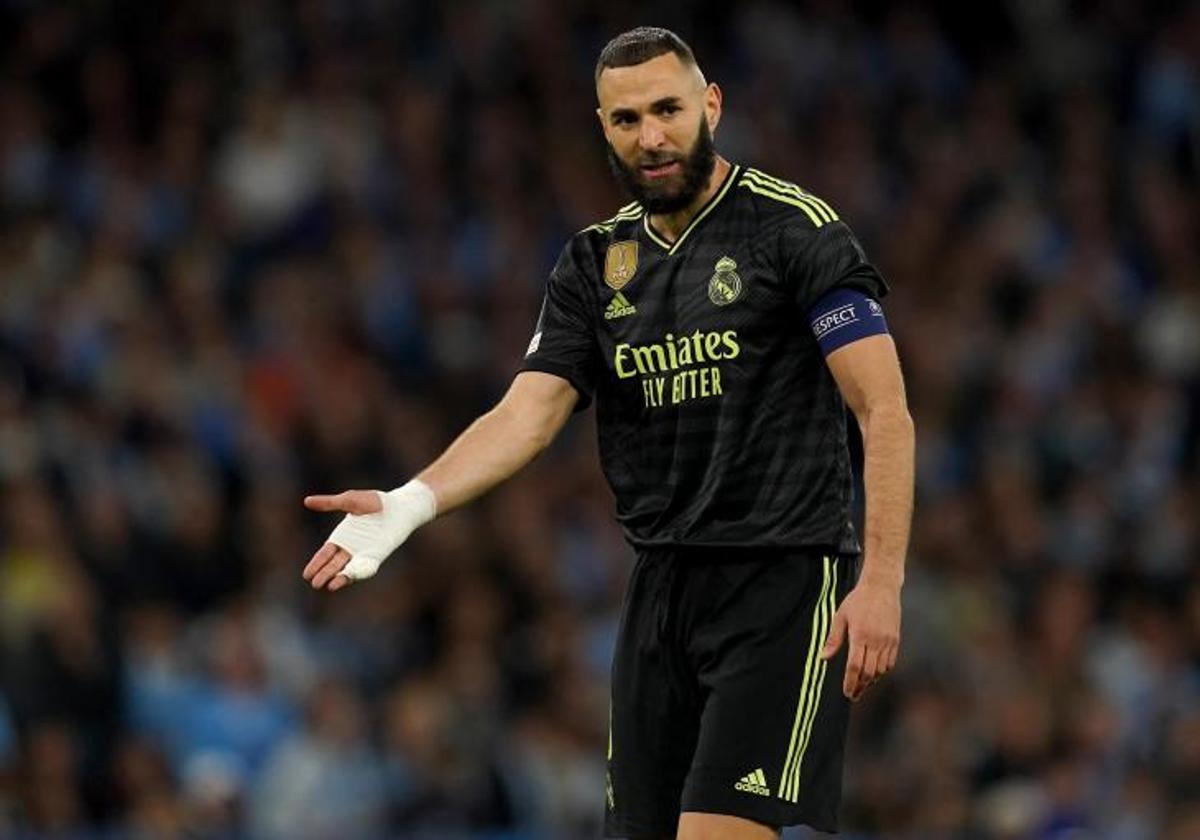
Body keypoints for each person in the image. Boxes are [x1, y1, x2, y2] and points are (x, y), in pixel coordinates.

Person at [302, 26, 914, 840]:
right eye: (628, 120)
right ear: (604, 127)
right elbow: (529, 411)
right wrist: (411, 502)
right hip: (660, 589)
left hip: (784, 579)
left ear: (712, 106)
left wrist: (881, 582)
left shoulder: (794, 230)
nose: (651, 136)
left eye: (668, 109)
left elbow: (884, 410)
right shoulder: (593, 263)